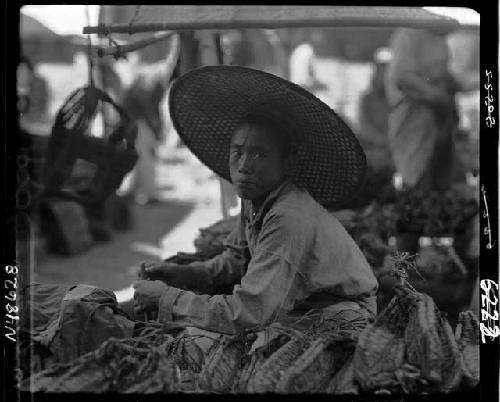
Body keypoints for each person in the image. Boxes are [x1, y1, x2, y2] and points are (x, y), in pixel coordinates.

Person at [132, 66, 378, 338]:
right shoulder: (257, 196)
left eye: (259, 155)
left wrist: (168, 298)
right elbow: (238, 259)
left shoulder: (288, 217)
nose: (244, 166)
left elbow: (249, 312)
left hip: (341, 315)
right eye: (238, 152)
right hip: (300, 306)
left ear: (286, 163)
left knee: (209, 340)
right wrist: (187, 274)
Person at [384, 28, 465, 192]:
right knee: (418, 177)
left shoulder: (440, 39)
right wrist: (437, 96)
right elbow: (402, 78)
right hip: (415, 122)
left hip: (439, 122)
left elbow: (445, 75)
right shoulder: (409, 34)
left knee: (443, 180)